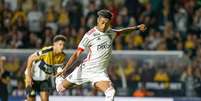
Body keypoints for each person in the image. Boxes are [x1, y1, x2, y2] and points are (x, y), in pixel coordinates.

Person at [56, 9, 146, 101]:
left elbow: (123, 31)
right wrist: (65, 69)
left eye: (106, 23)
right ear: (98, 20)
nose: (104, 25)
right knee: (60, 89)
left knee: (110, 92)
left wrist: (137, 28)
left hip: (99, 73)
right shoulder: (89, 35)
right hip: (85, 69)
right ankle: (59, 77)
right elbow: (76, 54)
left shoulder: (111, 32)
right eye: (102, 22)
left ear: (109, 23)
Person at [24, 35, 66, 101]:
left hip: (44, 80)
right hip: (32, 77)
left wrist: (59, 75)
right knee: (31, 99)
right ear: (54, 44)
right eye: (60, 44)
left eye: (63, 45)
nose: (62, 47)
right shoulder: (47, 51)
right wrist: (29, 77)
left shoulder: (62, 56)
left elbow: (55, 70)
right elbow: (30, 58)